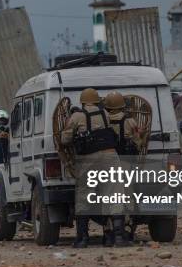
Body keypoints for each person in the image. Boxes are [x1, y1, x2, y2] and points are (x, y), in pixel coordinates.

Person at [61, 88, 119, 248]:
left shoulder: (77, 116)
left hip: (89, 159)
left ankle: (83, 238)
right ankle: (112, 237)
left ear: (83, 101)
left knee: (83, 197)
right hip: (110, 157)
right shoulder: (105, 114)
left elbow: (65, 139)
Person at [103, 91, 142, 247]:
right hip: (126, 163)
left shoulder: (103, 119)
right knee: (127, 197)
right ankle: (126, 232)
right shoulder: (130, 121)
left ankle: (108, 233)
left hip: (107, 164)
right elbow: (138, 142)